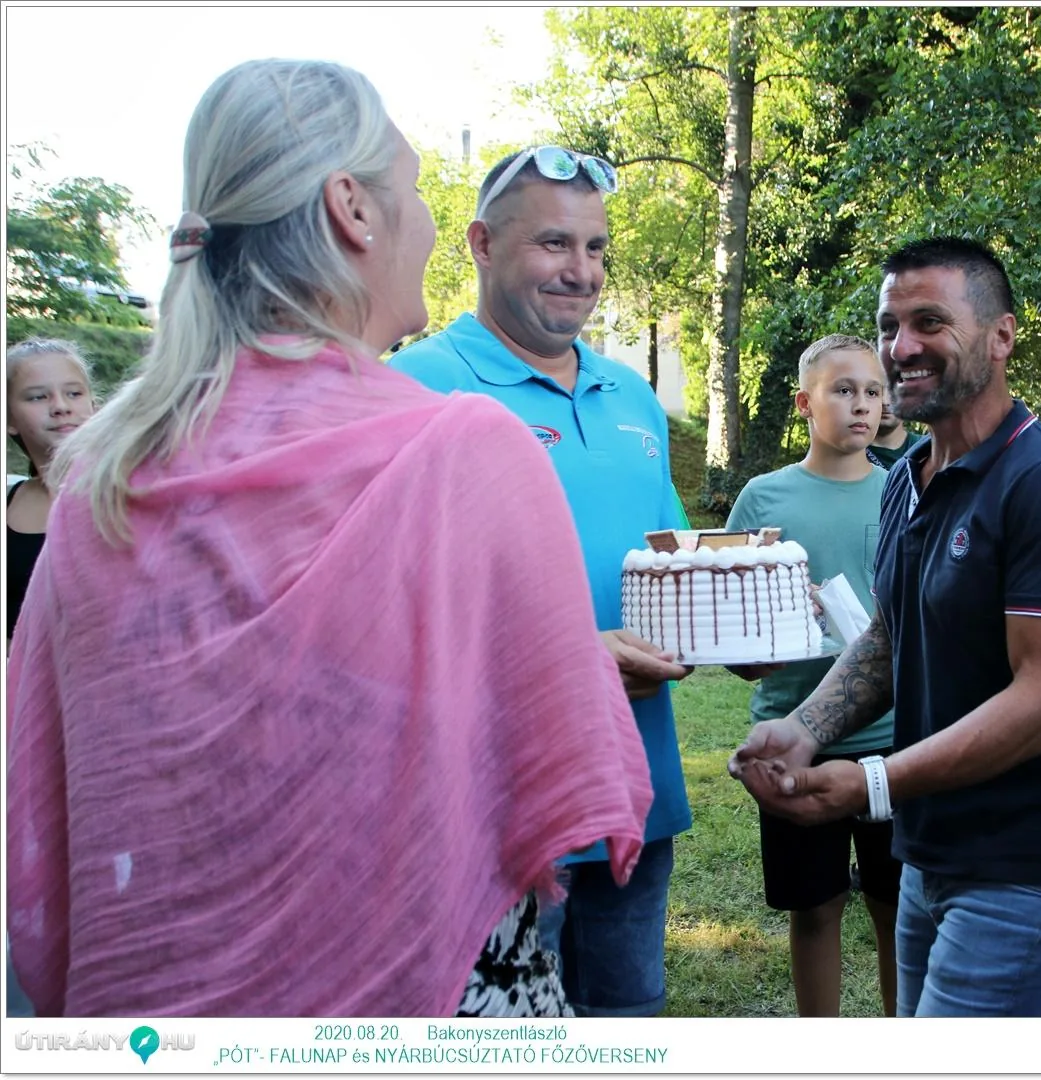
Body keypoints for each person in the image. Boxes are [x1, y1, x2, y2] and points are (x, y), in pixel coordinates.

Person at [6, 59, 653, 1017]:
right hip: (425, 992)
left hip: (156, 1009)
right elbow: (553, 754)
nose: (427, 224)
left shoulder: (105, 483)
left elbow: (61, 791)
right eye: (417, 191)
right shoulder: (460, 450)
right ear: (353, 209)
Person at [730, 237, 1041, 1017]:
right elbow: (891, 632)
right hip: (931, 849)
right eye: (889, 326)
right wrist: (804, 727)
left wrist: (870, 781)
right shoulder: (905, 481)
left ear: (1001, 336)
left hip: (1026, 865)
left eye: (928, 322)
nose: (901, 347)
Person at [391, 146, 692, 1018]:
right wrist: (565, 655)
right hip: (494, 806)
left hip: (635, 782)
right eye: (554, 244)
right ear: (483, 245)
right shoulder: (413, 390)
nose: (582, 272)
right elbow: (384, 612)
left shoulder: (632, 397)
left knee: (627, 1019)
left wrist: (725, 633)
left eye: (597, 249)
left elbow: (665, 558)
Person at [724, 333, 900, 1017]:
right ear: (804, 402)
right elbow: (732, 636)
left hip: (893, 740)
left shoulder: (905, 493)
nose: (860, 405)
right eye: (842, 390)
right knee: (815, 907)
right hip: (794, 736)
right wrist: (756, 648)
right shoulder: (764, 500)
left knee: (895, 903)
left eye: (872, 391)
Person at [6, 338, 97, 640]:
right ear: (8, 419)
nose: (60, 407)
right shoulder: (9, 500)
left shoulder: (132, 493)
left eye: (74, 393)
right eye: (37, 397)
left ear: (93, 405)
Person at [866, 398, 922, 469]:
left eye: (893, 392)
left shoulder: (929, 448)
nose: (885, 402)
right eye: (876, 393)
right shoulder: (852, 454)